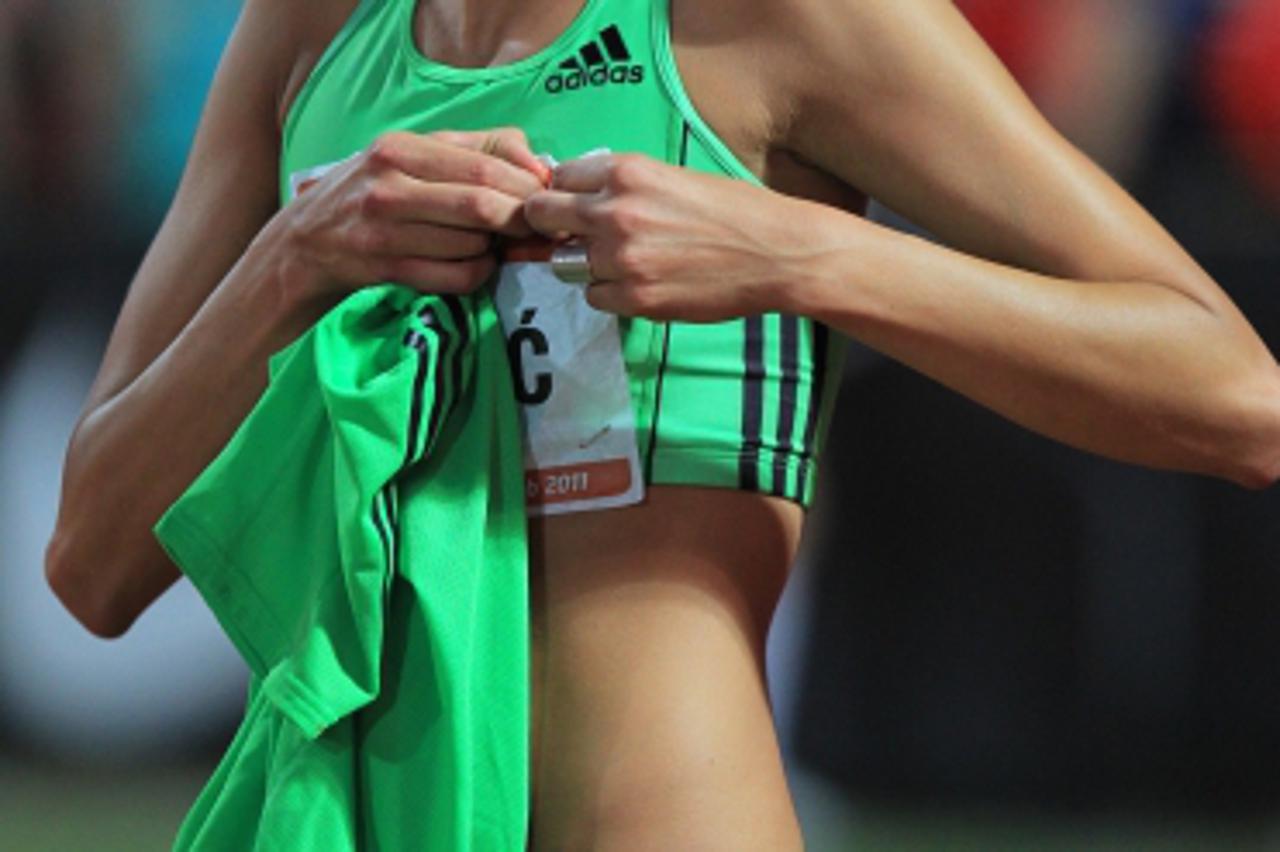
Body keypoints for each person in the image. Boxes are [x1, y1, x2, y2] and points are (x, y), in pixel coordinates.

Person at [45, 0, 1280, 849]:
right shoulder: (311, 31)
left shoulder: (767, 20)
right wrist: (295, 262)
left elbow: (1234, 393)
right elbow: (94, 562)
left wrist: (800, 251)